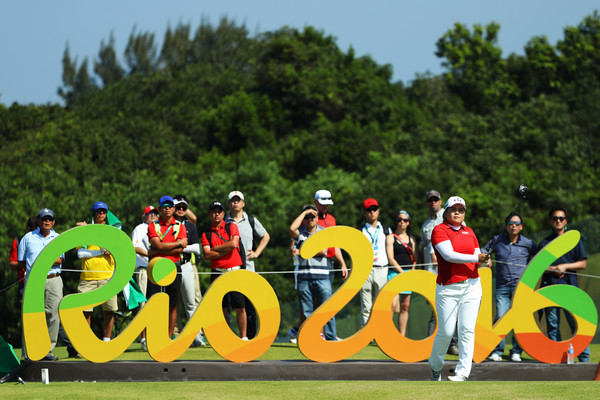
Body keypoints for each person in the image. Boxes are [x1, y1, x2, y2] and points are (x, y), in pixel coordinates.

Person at [429, 196, 489, 382]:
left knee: (466, 330)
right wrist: (476, 258)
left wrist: (485, 262)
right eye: (453, 209)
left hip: (472, 286)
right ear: (446, 212)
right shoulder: (439, 230)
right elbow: (449, 256)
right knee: (446, 332)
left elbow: (476, 259)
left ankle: (462, 373)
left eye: (461, 210)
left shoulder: (470, 231)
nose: (457, 212)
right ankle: (435, 367)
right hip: (448, 288)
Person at [482, 213, 538, 362]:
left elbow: (539, 256)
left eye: (517, 223)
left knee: (519, 320)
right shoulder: (497, 240)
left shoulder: (528, 243)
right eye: (510, 223)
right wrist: (486, 258)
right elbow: (482, 251)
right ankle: (497, 351)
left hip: (522, 288)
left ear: (521, 226)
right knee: (501, 317)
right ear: (506, 226)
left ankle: (516, 351)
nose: (513, 225)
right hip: (502, 287)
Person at [539, 206, 590, 362]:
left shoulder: (574, 240)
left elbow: (582, 264)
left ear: (566, 221)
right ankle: (557, 358)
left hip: (570, 289)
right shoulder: (544, 242)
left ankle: (584, 357)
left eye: (561, 218)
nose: (558, 221)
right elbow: (537, 268)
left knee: (576, 324)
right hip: (550, 289)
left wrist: (565, 267)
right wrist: (554, 269)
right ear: (551, 221)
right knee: (553, 325)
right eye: (555, 218)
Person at [17, 208, 65, 361]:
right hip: (33, 281)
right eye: (44, 218)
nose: (47, 221)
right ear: (38, 221)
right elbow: (21, 261)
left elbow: (59, 260)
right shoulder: (28, 238)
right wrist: (44, 260)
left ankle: (47, 352)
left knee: (53, 316)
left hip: (54, 279)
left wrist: (41, 259)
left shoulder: (58, 238)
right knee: (31, 317)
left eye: (50, 219)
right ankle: (28, 354)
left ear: (54, 221)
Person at [225, 190, 270, 339]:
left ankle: (250, 338)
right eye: (233, 200)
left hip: (249, 269)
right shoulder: (224, 221)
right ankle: (228, 337)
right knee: (228, 305)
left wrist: (257, 252)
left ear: (243, 203)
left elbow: (265, 236)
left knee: (249, 306)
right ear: (229, 203)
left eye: (238, 200)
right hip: (228, 269)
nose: (235, 203)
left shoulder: (251, 220)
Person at [289, 205, 337, 341]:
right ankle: (312, 340)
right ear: (303, 219)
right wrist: (305, 212)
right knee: (307, 312)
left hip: (322, 277)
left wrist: (302, 252)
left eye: (312, 217)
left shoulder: (323, 232)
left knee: (327, 310)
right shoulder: (301, 234)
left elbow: (323, 251)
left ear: (317, 218)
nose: (310, 219)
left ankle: (331, 339)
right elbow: (292, 229)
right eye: (307, 217)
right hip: (304, 277)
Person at [201, 200, 247, 339]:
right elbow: (207, 254)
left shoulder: (231, 226)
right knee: (222, 308)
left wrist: (215, 248)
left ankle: (243, 337)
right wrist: (225, 249)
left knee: (240, 306)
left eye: (219, 211)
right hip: (217, 272)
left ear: (223, 213)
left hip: (234, 271)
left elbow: (234, 243)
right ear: (210, 214)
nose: (216, 214)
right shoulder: (206, 234)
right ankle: (226, 337)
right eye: (214, 211)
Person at [421, 189, 458, 355]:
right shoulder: (425, 226)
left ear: (441, 201)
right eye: (430, 200)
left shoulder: (450, 217)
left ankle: (450, 344)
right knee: (436, 310)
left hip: (449, 272)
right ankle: (435, 344)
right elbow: (424, 249)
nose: (433, 202)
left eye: (436, 199)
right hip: (431, 274)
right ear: (427, 203)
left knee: (452, 308)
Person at [76, 201, 119, 342]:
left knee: (109, 310)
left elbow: (119, 251)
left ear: (106, 214)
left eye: (103, 211)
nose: (101, 214)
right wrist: (101, 251)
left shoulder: (113, 231)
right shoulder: (84, 231)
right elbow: (81, 254)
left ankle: (106, 341)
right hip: (88, 277)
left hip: (108, 277)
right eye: (98, 211)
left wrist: (110, 250)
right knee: (85, 312)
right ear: (93, 214)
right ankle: (86, 343)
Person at [147, 195, 188, 339]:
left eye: (170, 206)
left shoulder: (180, 226)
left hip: (174, 266)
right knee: (153, 303)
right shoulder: (153, 225)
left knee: (173, 303)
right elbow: (158, 244)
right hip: (156, 267)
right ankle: (153, 336)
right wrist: (177, 243)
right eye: (164, 206)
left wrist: (159, 249)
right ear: (159, 209)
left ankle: (168, 337)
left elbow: (180, 250)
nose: (168, 208)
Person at [173, 194, 206, 347]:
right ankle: (175, 336)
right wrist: (180, 245)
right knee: (172, 304)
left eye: (183, 208)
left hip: (186, 265)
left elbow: (196, 248)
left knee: (191, 302)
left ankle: (196, 335)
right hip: (169, 267)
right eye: (178, 207)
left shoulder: (190, 226)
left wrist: (176, 245)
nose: (180, 210)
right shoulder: (165, 224)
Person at [359, 198, 394, 327]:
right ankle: (366, 334)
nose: (372, 212)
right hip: (365, 270)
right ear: (364, 212)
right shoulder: (360, 231)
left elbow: (390, 252)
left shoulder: (386, 229)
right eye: (369, 210)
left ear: (378, 211)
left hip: (382, 269)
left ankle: (379, 331)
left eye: (374, 209)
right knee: (366, 304)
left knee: (380, 304)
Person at [131, 205, 159, 351]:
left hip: (157, 269)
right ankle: (143, 338)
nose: (153, 215)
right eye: (149, 214)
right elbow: (135, 247)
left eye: (155, 213)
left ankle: (155, 335)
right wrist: (152, 255)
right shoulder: (140, 228)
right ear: (144, 216)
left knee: (156, 303)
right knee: (143, 303)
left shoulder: (159, 228)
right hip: (143, 269)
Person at [388, 210, 417, 336]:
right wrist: (401, 272)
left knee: (405, 306)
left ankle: (402, 336)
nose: (402, 222)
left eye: (405, 220)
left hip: (408, 274)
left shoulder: (412, 239)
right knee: (392, 306)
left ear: (409, 222)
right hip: (394, 273)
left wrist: (411, 272)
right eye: (399, 219)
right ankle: (387, 334)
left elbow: (415, 259)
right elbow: (390, 259)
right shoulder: (390, 237)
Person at [313, 189, 348, 282]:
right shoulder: (309, 219)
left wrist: (342, 264)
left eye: (327, 203)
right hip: (315, 261)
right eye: (322, 203)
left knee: (328, 294)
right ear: (315, 202)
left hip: (329, 262)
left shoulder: (332, 219)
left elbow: (335, 244)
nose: (325, 206)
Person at [9, 216, 38, 303]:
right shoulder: (18, 242)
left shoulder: (43, 240)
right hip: (24, 283)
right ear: (27, 229)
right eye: (30, 231)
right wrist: (23, 263)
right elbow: (12, 266)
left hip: (43, 281)